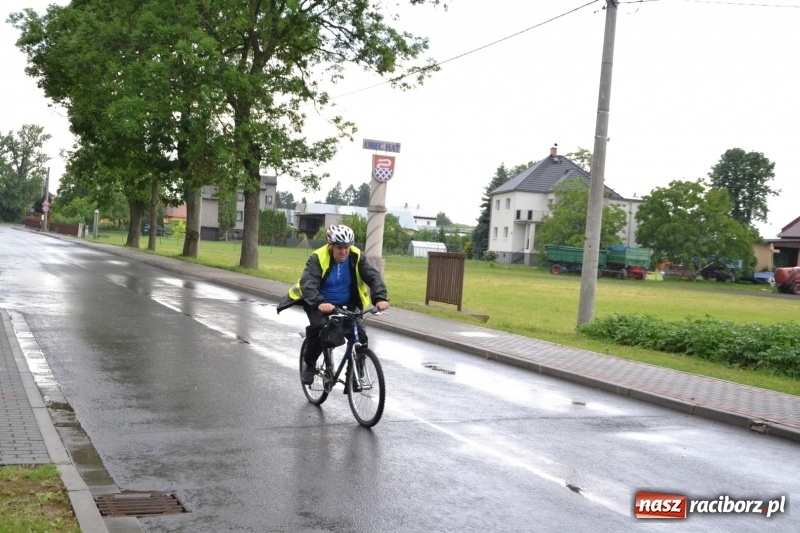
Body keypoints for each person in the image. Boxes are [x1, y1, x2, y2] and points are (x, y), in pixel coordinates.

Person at [277, 224, 390, 385]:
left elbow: (372, 276)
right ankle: (309, 365)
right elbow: (308, 283)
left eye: (346, 247)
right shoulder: (318, 257)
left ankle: (355, 373)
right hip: (319, 301)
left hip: (347, 303)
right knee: (321, 329)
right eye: (339, 248)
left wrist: (380, 298)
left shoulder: (356, 256)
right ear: (330, 245)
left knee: (360, 335)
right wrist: (320, 303)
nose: (344, 251)